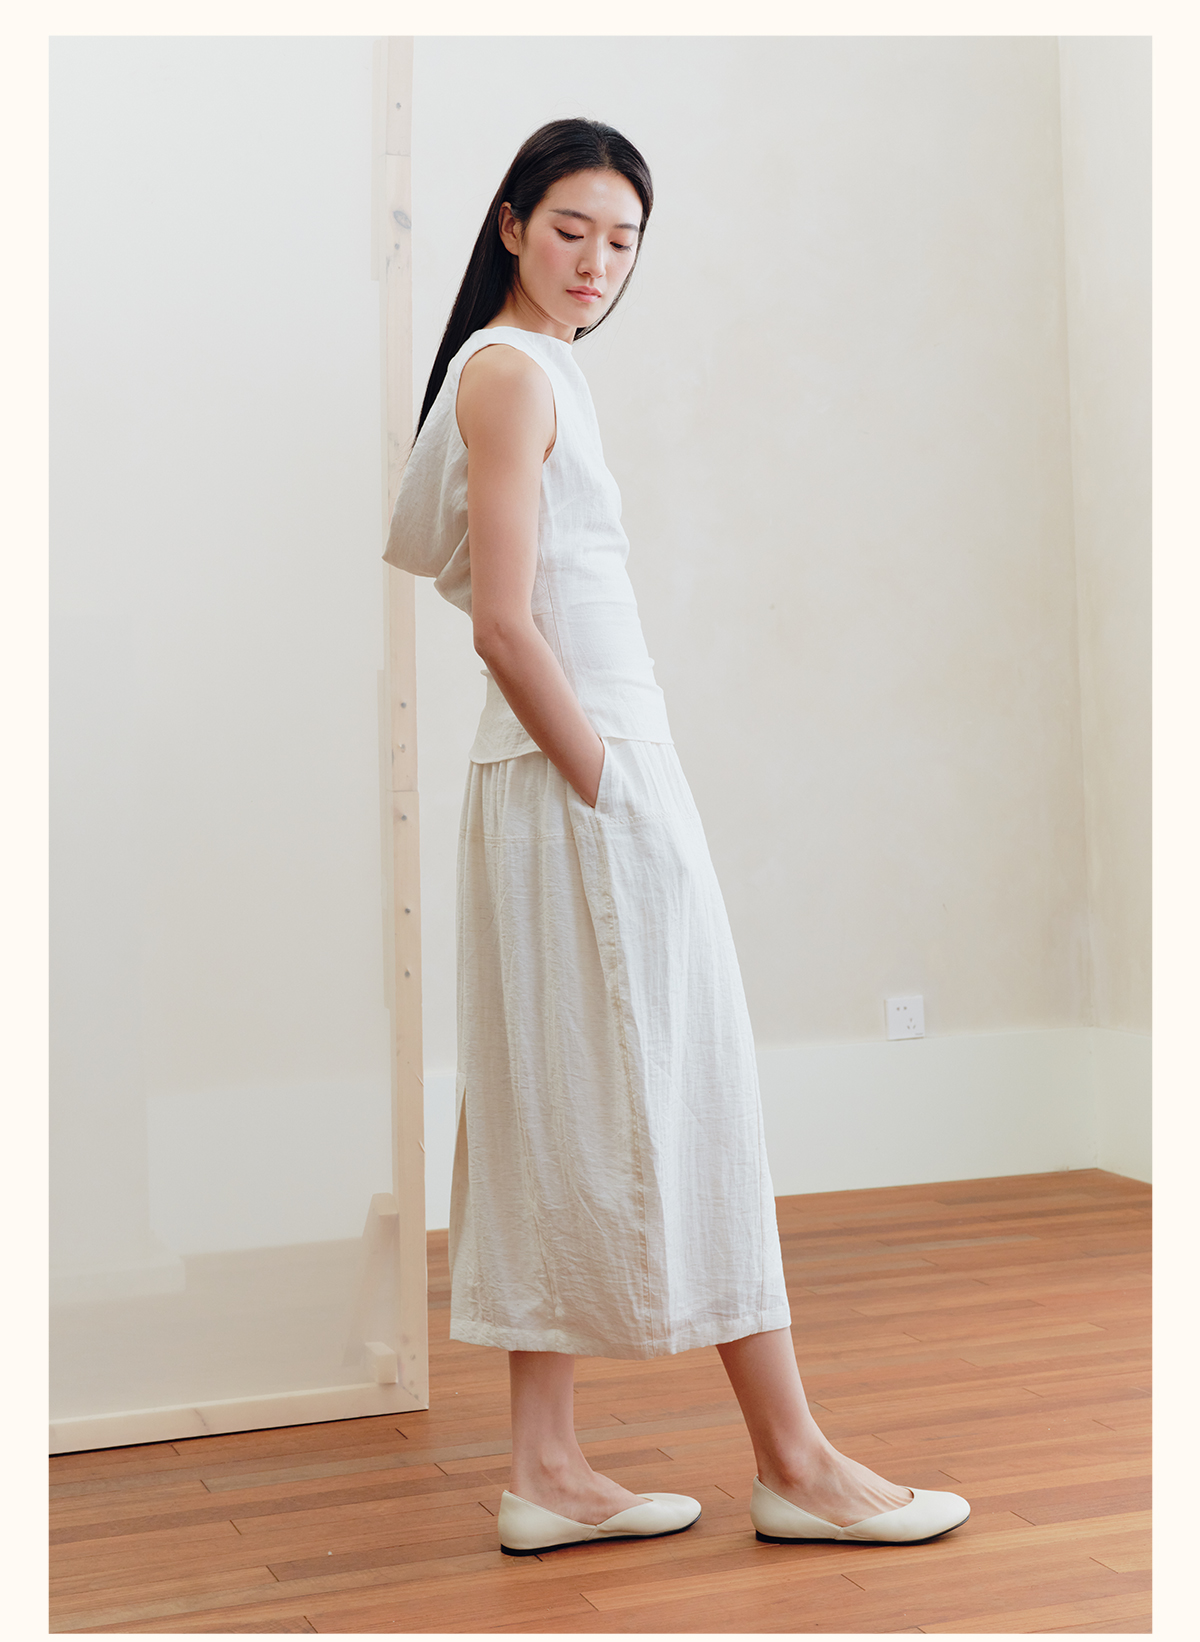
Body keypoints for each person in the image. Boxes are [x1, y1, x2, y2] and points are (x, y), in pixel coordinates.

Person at [384, 117, 969, 1557]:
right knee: (690, 1093)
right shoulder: (512, 374)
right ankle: (798, 1462)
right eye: (571, 229)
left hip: (558, 774)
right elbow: (505, 623)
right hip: (586, 772)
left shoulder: (524, 368)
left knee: (551, 1104)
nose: (598, 261)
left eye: (623, 240)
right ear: (510, 223)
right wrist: (608, 777)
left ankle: (547, 1466)